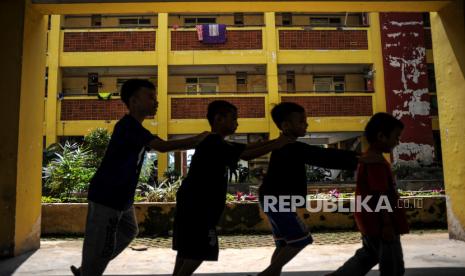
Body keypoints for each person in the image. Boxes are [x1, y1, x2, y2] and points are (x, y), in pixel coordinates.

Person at [70, 79, 208, 276]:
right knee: (101, 244)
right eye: (151, 97)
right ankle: (90, 269)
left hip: (122, 198)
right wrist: (197, 139)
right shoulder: (128, 127)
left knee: (128, 231)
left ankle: (90, 266)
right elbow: (161, 146)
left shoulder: (135, 128)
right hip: (108, 196)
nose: (156, 102)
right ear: (134, 102)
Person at [172, 100, 292, 276]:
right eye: (234, 119)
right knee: (199, 251)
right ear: (219, 119)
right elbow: (246, 154)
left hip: (191, 203)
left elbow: (246, 147)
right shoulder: (214, 142)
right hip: (200, 206)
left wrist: (277, 141)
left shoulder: (218, 142)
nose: (237, 123)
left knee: (187, 249)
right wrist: (276, 145)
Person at [258, 102, 360, 276]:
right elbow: (322, 157)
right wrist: (357, 158)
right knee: (301, 239)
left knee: (284, 243)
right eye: (302, 121)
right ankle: (267, 274)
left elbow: (320, 156)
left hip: (272, 198)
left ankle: (272, 273)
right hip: (276, 199)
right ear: (286, 125)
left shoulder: (285, 146)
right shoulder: (289, 147)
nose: (306, 124)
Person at [326, 112, 409, 276]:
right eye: (396, 137)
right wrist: (387, 223)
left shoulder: (369, 158)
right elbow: (380, 194)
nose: (397, 142)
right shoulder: (375, 161)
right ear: (381, 136)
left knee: (369, 255)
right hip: (380, 221)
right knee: (392, 264)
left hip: (369, 218)